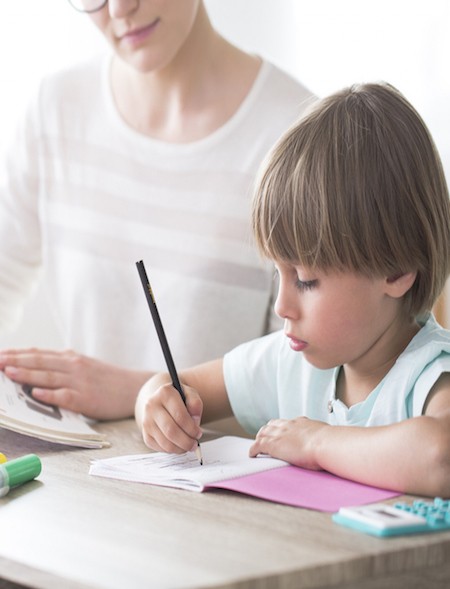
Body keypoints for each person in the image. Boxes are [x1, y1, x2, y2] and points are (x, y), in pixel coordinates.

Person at [0, 0, 314, 419]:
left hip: (225, 474)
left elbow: (310, 374)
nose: (119, 10)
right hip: (81, 472)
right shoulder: (55, 110)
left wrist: (140, 391)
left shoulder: (298, 138)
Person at [135, 82, 450, 497]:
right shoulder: (289, 362)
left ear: (396, 270)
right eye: (276, 274)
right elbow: (172, 384)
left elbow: (440, 457)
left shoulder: (430, 376)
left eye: (305, 280)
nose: (283, 305)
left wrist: (316, 442)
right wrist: (156, 407)